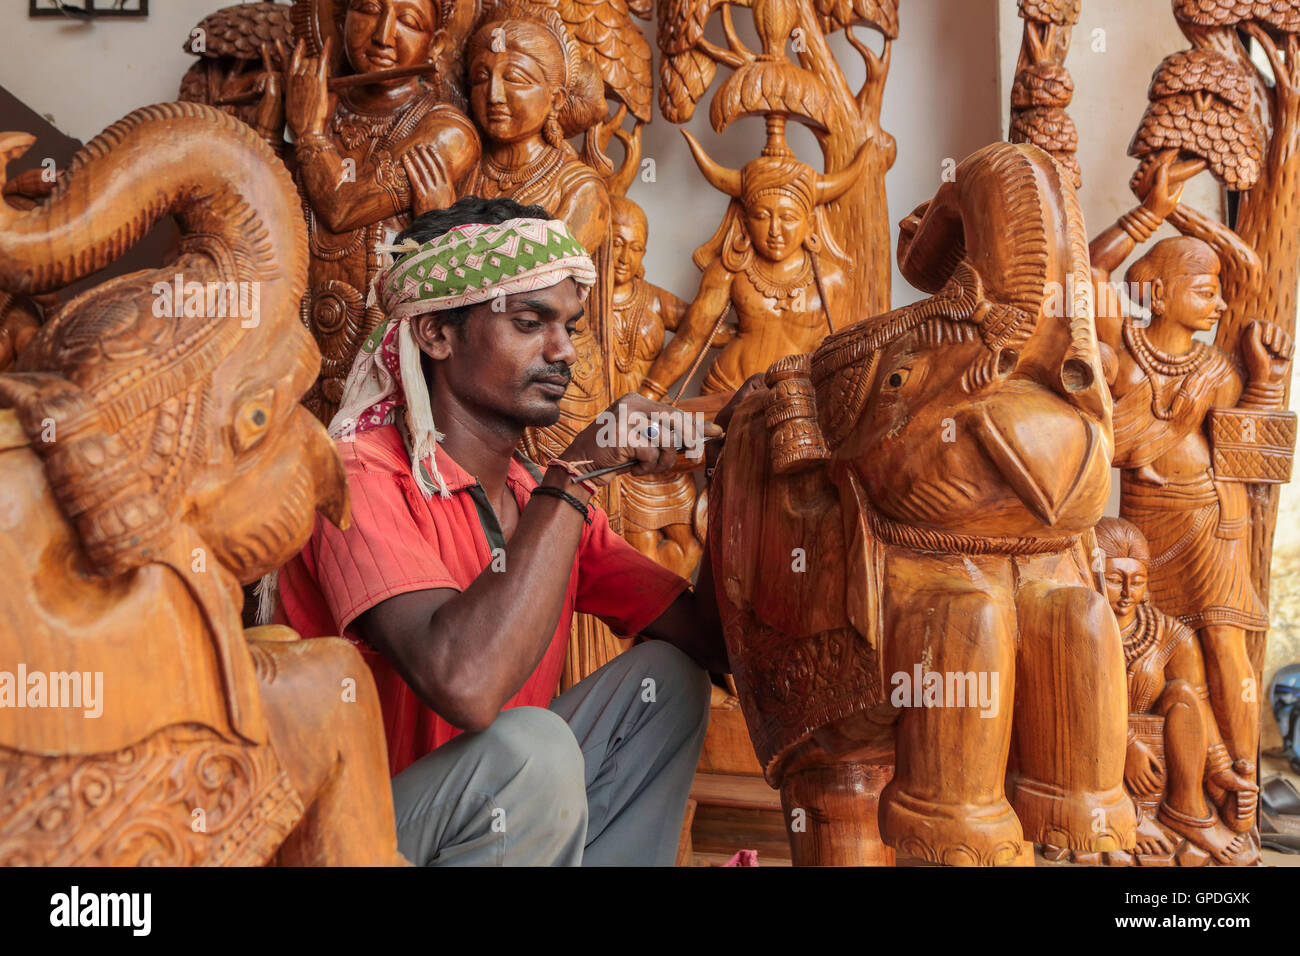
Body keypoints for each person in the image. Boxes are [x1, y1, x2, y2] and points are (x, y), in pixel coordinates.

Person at [277, 196, 753, 866]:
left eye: (568, 327)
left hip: (486, 830)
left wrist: (736, 473)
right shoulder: (356, 476)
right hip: (357, 845)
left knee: (667, 682)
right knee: (531, 750)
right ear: (436, 335)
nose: (561, 351)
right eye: (529, 323)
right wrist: (579, 472)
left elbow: (716, 645)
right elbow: (465, 684)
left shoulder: (536, 498)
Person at [1096, 517, 1257, 865]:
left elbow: (1196, 703)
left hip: (1158, 762)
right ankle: (1119, 816)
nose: (1127, 594)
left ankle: (1187, 809)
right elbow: (1074, 706)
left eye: (1136, 581)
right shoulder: (1077, 628)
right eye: (1113, 580)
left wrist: (1219, 771)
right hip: (1095, 757)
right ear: (1092, 576)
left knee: (1182, 692)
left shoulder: (1169, 634)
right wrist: (1123, 743)